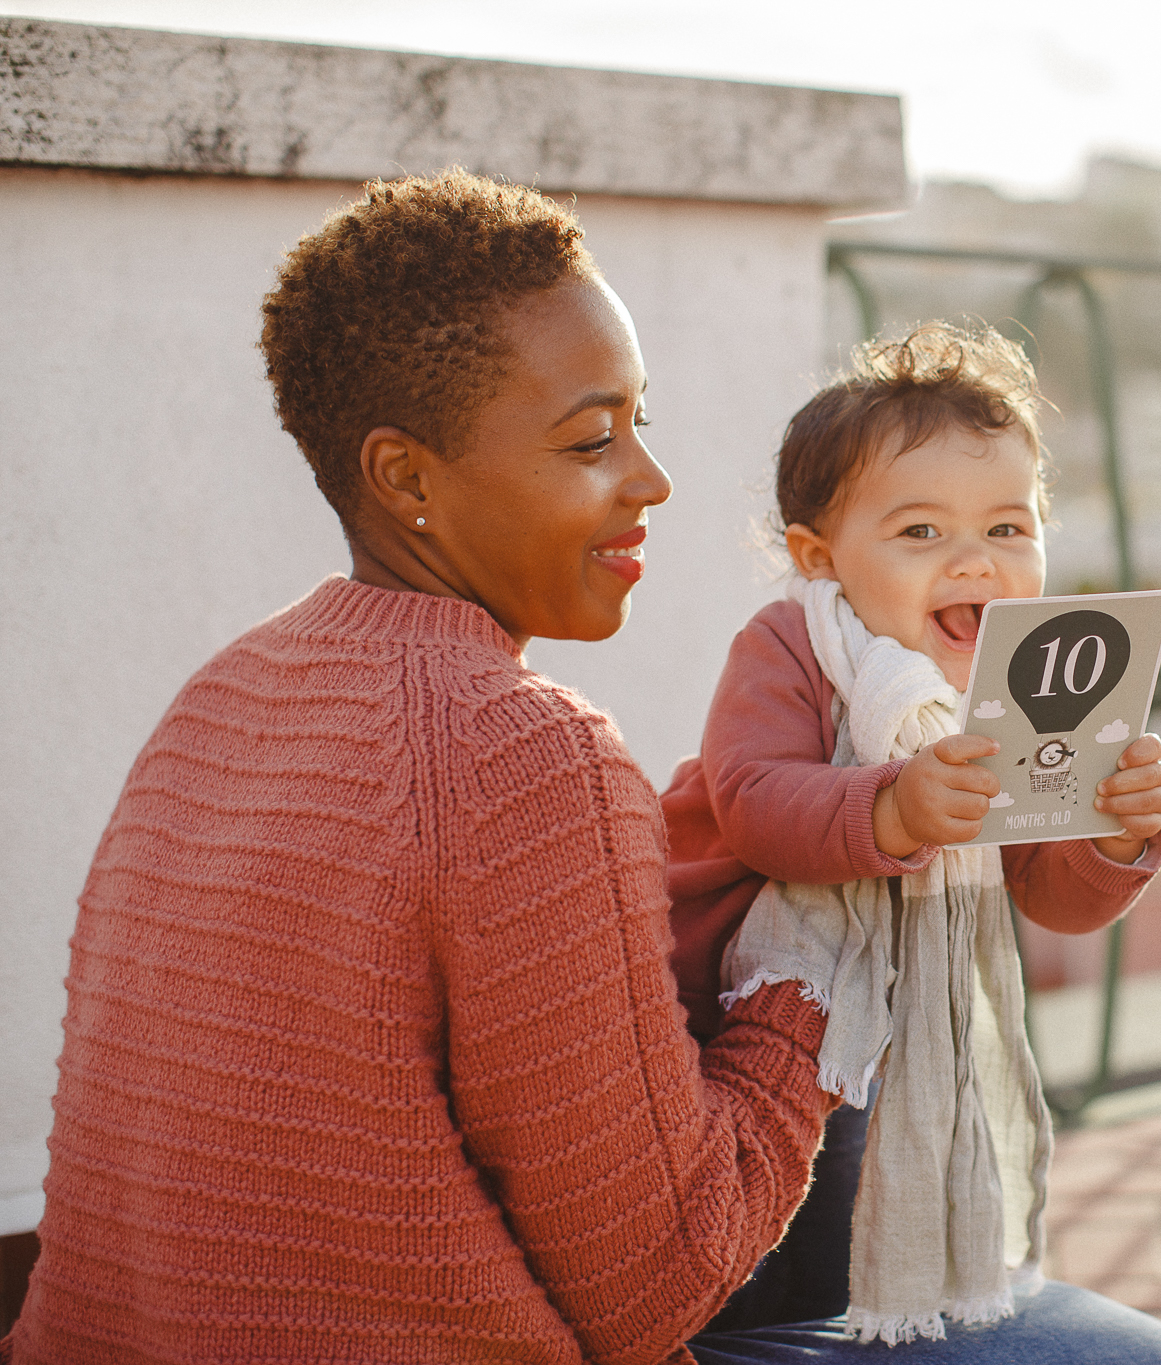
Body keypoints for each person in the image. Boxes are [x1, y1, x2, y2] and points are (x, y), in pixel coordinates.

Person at [2, 170, 838, 1364]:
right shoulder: (526, 749)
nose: (649, 479)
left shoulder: (222, 694)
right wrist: (814, 973)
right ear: (404, 477)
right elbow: (659, 1283)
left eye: (641, 421)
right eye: (592, 438)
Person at [664, 323, 1161, 1361]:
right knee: (745, 1269)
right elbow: (754, 802)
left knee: (855, 1256)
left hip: (887, 1047)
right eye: (919, 533)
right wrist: (894, 812)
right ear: (821, 559)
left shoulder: (1019, 687)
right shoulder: (796, 647)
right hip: (727, 1024)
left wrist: (1117, 836)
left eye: (1008, 528)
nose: (975, 562)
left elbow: (1050, 895)